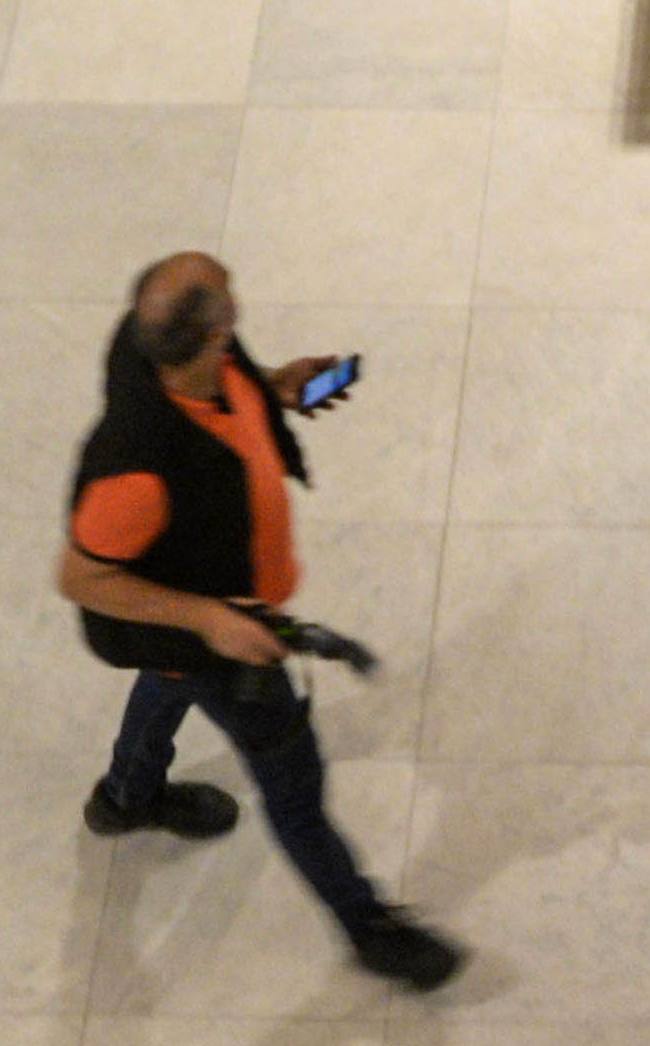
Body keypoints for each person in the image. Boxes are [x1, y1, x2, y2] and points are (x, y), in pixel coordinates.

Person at [55, 250, 460, 992]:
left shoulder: (180, 355)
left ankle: (125, 798)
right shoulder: (135, 472)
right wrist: (208, 619)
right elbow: (79, 577)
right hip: (227, 638)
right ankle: (368, 927)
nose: (238, 311)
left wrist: (273, 392)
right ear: (212, 334)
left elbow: (224, 408)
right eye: (229, 305)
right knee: (295, 790)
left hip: (200, 629)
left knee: (167, 678)